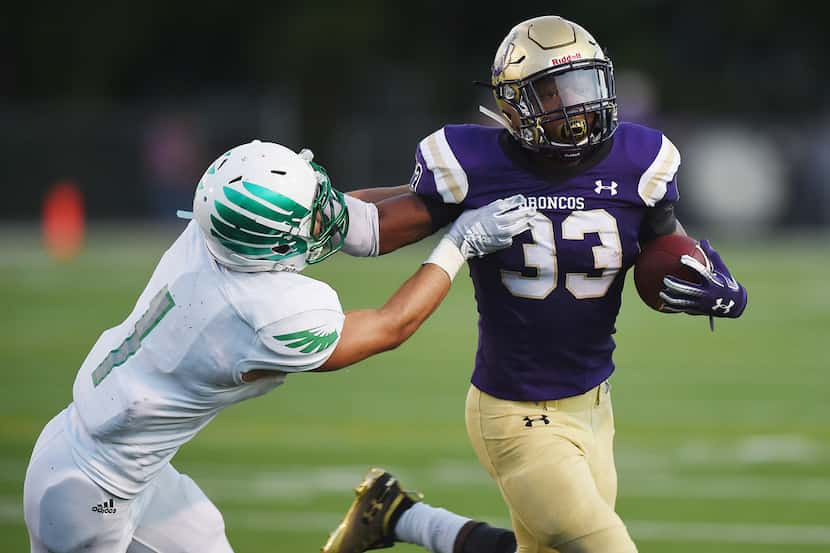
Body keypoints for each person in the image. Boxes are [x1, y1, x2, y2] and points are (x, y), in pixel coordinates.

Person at [325, 14, 748, 553]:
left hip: (596, 408)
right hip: (515, 414)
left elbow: (668, 246)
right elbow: (374, 229)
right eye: (553, 93)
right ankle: (396, 518)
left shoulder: (642, 161)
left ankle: (396, 517)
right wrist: (297, 213)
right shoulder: (472, 163)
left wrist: (711, 277)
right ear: (512, 104)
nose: (575, 107)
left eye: (583, 85)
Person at [22, 139, 537, 553]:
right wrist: (459, 245)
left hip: (119, 460)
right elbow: (389, 326)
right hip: (91, 495)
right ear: (272, 247)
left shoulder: (219, 227)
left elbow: (361, 222)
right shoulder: (259, 313)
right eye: (309, 215)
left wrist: (452, 194)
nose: (324, 211)